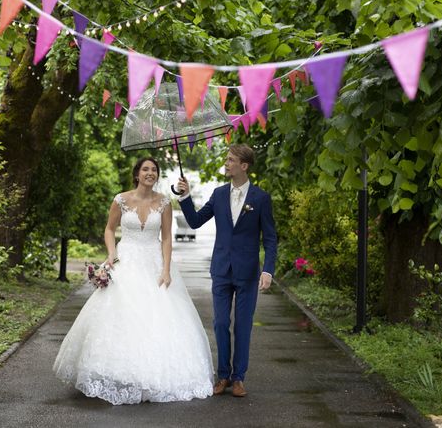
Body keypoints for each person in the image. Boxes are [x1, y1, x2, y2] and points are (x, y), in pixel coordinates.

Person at [53, 157, 214, 405]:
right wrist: (111, 253)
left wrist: (167, 269)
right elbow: (109, 229)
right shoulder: (121, 199)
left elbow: (166, 239)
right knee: (119, 315)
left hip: (153, 264)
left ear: (157, 176)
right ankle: (115, 371)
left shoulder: (164, 202)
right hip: (125, 260)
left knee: (157, 317)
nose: (150, 173)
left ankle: (152, 375)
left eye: (154, 170)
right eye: (145, 169)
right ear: (137, 174)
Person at [176, 143, 277, 398]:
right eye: (227, 159)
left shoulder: (261, 198)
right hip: (221, 268)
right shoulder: (219, 194)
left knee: (243, 326)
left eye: (231, 160)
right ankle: (222, 375)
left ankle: (238, 377)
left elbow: (271, 238)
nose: (227, 162)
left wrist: (268, 270)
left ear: (244, 165)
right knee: (221, 323)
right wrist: (185, 197)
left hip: (247, 272)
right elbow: (196, 221)